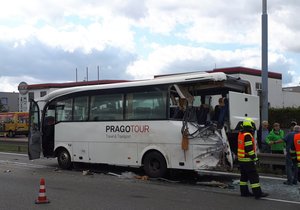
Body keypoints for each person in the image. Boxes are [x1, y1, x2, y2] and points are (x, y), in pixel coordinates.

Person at [238, 117, 268, 199]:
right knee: (254, 177)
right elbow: (249, 149)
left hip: (241, 159)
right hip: (247, 160)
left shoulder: (241, 134)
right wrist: (255, 158)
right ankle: (258, 193)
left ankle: (244, 192)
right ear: (250, 125)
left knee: (244, 177)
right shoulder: (247, 135)